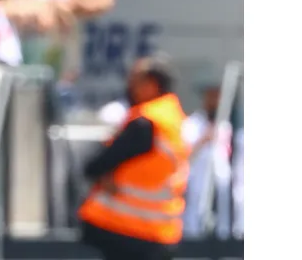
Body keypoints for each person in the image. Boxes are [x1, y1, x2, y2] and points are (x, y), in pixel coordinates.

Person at [78, 55, 190, 260]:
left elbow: (96, 164)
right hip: (159, 231)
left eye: (135, 81)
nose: (129, 87)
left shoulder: (147, 122)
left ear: (152, 85)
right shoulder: (172, 117)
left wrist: (102, 173)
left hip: (128, 228)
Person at [182, 85, 233, 239]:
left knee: (223, 219)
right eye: (211, 96)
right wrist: (204, 139)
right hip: (198, 179)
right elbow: (185, 153)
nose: (214, 101)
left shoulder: (225, 125)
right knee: (196, 215)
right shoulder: (192, 123)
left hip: (222, 180)